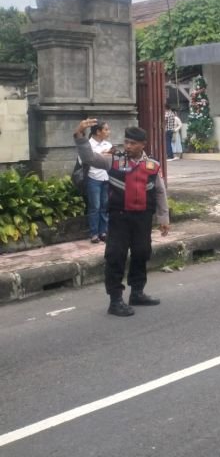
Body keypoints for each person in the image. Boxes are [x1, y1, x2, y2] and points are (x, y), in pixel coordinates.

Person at [73, 119, 169, 317]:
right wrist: (80, 136)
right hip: (119, 217)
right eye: (126, 142)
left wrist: (163, 218)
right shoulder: (113, 160)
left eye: (133, 143)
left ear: (143, 145)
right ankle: (115, 300)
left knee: (142, 253)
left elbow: (160, 191)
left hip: (143, 218)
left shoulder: (152, 165)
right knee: (115, 256)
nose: (128, 146)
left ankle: (137, 292)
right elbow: (89, 158)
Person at [85, 122, 112, 244]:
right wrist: (101, 156)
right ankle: (94, 233)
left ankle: (103, 232)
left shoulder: (108, 144)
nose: (108, 132)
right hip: (93, 178)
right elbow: (84, 160)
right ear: (98, 131)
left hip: (106, 178)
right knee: (94, 206)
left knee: (104, 206)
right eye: (106, 129)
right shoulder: (88, 145)